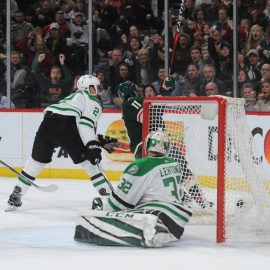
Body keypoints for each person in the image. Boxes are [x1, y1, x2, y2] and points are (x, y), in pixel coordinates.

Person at [6, 75, 118, 211]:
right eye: (93, 87)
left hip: (47, 124)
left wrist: (95, 140)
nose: (97, 91)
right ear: (85, 88)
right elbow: (85, 125)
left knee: (35, 162)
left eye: (97, 88)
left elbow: (66, 120)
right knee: (89, 161)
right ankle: (107, 195)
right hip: (65, 125)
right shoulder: (92, 100)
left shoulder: (70, 98)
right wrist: (93, 145)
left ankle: (16, 194)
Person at [74, 130, 193, 248]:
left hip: (158, 216)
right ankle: (160, 231)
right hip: (179, 219)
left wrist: (102, 210)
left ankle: (155, 230)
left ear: (147, 145)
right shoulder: (174, 163)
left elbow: (119, 202)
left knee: (95, 209)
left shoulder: (141, 165)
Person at [118, 80, 143, 159]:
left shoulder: (127, 105)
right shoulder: (130, 102)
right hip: (144, 146)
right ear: (134, 91)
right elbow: (147, 117)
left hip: (144, 146)